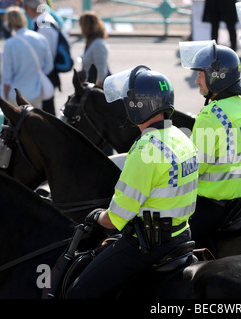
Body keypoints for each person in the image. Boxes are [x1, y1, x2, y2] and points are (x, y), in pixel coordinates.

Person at [65, 66, 199, 298]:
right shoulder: (181, 136)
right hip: (181, 235)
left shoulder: (145, 149)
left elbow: (117, 219)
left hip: (147, 246)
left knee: (76, 294)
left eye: (128, 100)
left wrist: (96, 216)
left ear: (138, 106)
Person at [180, 41, 241, 255]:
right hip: (238, 202)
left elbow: (193, 170)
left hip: (208, 207)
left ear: (216, 77)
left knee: (159, 249)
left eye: (200, 75)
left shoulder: (211, 116)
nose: (196, 81)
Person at [0, 6, 53, 109]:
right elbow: (48, 66)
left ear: (8, 23)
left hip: (15, 95)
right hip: (37, 91)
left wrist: (4, 99)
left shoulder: (10, 44)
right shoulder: (40, 38)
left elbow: (7, 77)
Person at [23, 0, 59, 116]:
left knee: (46, 115)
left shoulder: (42, 24)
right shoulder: (45, 20)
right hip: (47, 73)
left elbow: (44, 55)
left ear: (28, 8)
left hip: (44, 74)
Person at [78, 11, 109, 86]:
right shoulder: (92, 42)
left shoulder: (97, 44)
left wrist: (95, 89)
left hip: (96, 87)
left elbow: (102, 72)